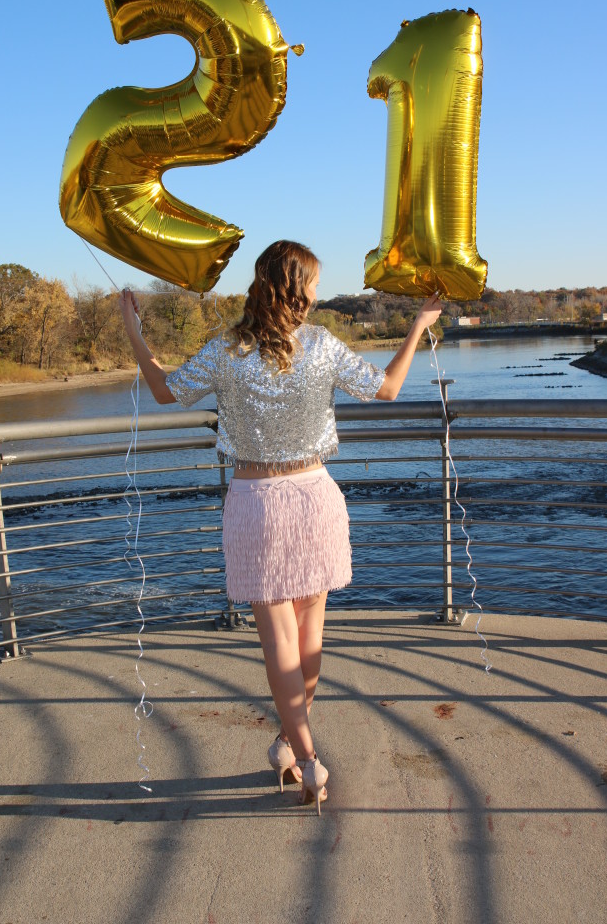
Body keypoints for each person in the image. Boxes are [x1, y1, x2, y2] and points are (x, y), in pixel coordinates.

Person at [119, 241, 441, 815]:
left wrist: (133, 330)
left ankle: (301, 753)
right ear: (298, 288)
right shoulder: (321, 346)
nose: (318, 292)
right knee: (307, 637)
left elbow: (166, 391)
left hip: (257, 503)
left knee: (280, 645)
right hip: (315, 495)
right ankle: (298, 748)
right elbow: (386, 388)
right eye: (314, 282)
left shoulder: (228, 350)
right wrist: (418, 325)